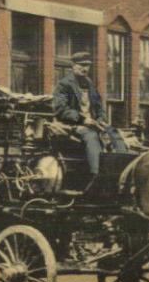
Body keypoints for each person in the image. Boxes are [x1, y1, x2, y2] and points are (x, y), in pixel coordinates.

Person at [52, 51, 128, 193]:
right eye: (81, 65)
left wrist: (101, 120)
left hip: (92, 124)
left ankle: (122, 172)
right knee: (91, 136)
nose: (85, 68)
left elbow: (99, 108)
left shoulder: (90, 85)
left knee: (114, 133)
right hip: (71, 125)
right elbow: (61, 110)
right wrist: (83, 119)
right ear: (73, 66)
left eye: (87, 65)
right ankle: (97, 175)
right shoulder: (63, 85)